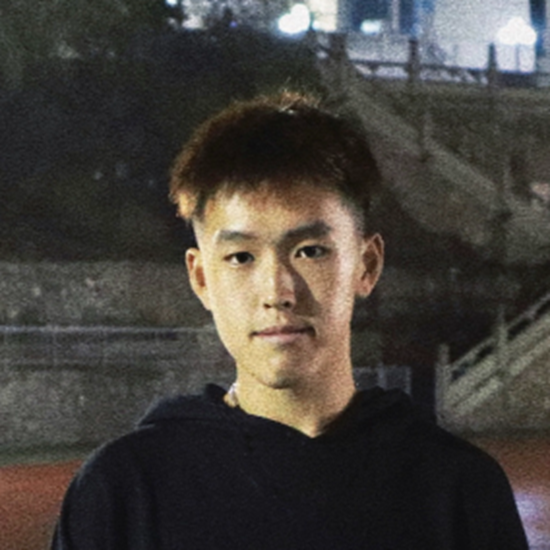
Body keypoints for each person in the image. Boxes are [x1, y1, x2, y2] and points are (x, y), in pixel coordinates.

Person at [51, 91, 528, 549]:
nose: (277, 292)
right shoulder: (124, 491)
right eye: (241, 257)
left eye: (310, 251)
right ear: (201, 278)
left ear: (366, 265)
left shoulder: (458, 489)